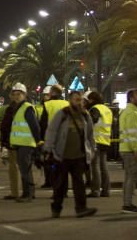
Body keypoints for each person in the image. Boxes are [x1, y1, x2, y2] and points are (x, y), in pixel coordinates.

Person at [44, 90, 97, 218]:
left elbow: (90, 135)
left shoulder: (85, 116)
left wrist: (92, 151)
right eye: (75, 99)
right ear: (70, 100)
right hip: (62, 156)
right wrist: (48, 149)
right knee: (60, 186)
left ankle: (81, 208)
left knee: (79, 184)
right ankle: (56, 208)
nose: (78, 102)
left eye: (80, 100)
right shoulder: (62, 114)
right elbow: (52, 131)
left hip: (79, 156)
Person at [5, 83, 42, 202]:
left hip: (26, 144)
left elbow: (34, 126)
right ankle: (28, 194)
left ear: (24, 95)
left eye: (19, 94)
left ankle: (28, 194)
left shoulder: (27, 107)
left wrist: (38, 141)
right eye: (14, 94)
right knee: (24, 169)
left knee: (25, 170)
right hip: (21, 144)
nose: (16, 96)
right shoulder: (18, 108)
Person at [119, 89, 137, 213]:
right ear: (131, 98)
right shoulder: (132, 113)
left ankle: (127, 203)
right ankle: (127, 204)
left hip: (127, 149)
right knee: (132, 177)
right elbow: (132, 134)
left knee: (129, 177)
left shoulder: (130, 112)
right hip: (131, 150)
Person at [38, 85, 68, 189]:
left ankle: (50, 182)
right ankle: (63, 186)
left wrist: (41, 139)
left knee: (49, 162)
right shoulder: (67, 104)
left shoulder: (47, 105)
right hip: (65, 138)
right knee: (63, 164)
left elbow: (43, 123)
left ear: (53, 93)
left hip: (51, 138)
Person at [85, 91, 112, 198]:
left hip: (96, 140)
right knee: (103, 166)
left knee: (95, 166)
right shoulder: (107, 109)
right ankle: (106, 190)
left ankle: (95, 190)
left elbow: (92, 122)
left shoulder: (95, 109)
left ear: (92, 100)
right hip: (105, 140)